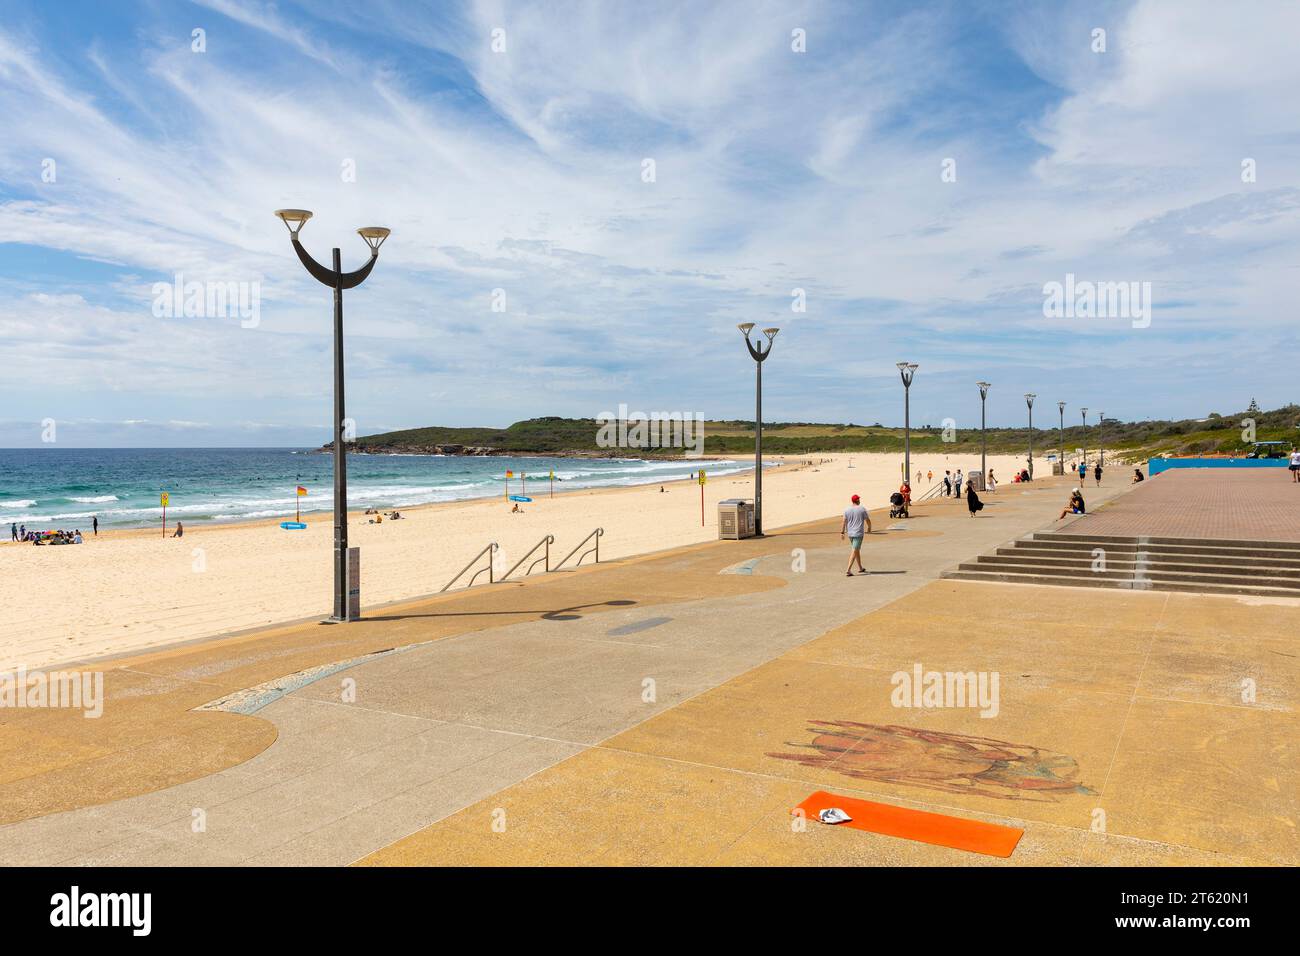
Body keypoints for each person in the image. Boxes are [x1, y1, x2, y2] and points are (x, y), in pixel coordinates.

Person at [840, 493, 871, 576]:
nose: (859, 500)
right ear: (857, 500)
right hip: (858, 533)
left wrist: (842, 532)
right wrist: (869, 527)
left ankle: (860, 567)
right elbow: (867, 520)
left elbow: (844, 521)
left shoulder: (847, 510)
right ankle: (848, 570)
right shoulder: (862, 509)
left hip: (850, 533)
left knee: (856, 550)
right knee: (854, 550)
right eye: (858, 499)